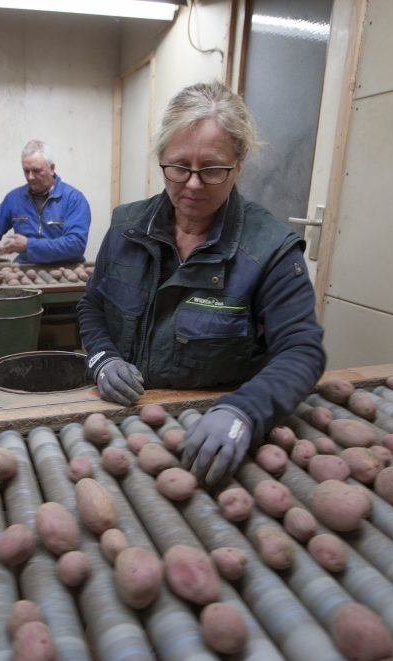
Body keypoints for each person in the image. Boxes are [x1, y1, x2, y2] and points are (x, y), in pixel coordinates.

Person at [76, 81, 326, 486]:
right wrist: (102, 357)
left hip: (213, 432)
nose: (192, 184)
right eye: (179, 166)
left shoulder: (271, 249)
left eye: (212, 169)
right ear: (161, 158)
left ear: (239, 163)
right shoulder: (126, 227)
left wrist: (244, 411)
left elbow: (301, 351)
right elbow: (92, 305)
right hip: (123, 423)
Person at [0, 140, 91, 264]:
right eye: (26, 171)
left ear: (52, 168)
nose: (30, 177)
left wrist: (29, 245)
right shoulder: (15, 198)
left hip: (66, 269)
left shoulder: (74, 199)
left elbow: (76, 244)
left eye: (37, 171)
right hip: (26, 268)